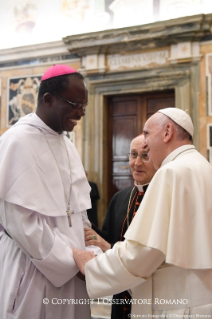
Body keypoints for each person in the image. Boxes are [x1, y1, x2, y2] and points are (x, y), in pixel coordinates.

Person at [73, 108, 212, 316]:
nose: (144, 142)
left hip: (176, 305)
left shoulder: (171, 171)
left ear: (167, 132)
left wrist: (92, 267)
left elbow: (144, 253)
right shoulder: (202, 166)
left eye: (147, 133)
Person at [0, 64, 102, 319]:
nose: (81, 112)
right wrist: (71, 259)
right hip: (33, 269)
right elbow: (22, 225)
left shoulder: (67, 145)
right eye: (75, 104)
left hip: (75, 268)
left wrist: (89, 251)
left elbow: (78, 209)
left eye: (84, 105)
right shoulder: (16, 141)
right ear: (48, 99)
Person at [84, 134, 156, 319]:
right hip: (120, 292)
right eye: (133, 155)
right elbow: (109, 237)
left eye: (145, 156)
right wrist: (87, 227)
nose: (136, 163)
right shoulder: (120, 197)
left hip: (148, 294)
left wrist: (104, 243)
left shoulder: (161, 199)